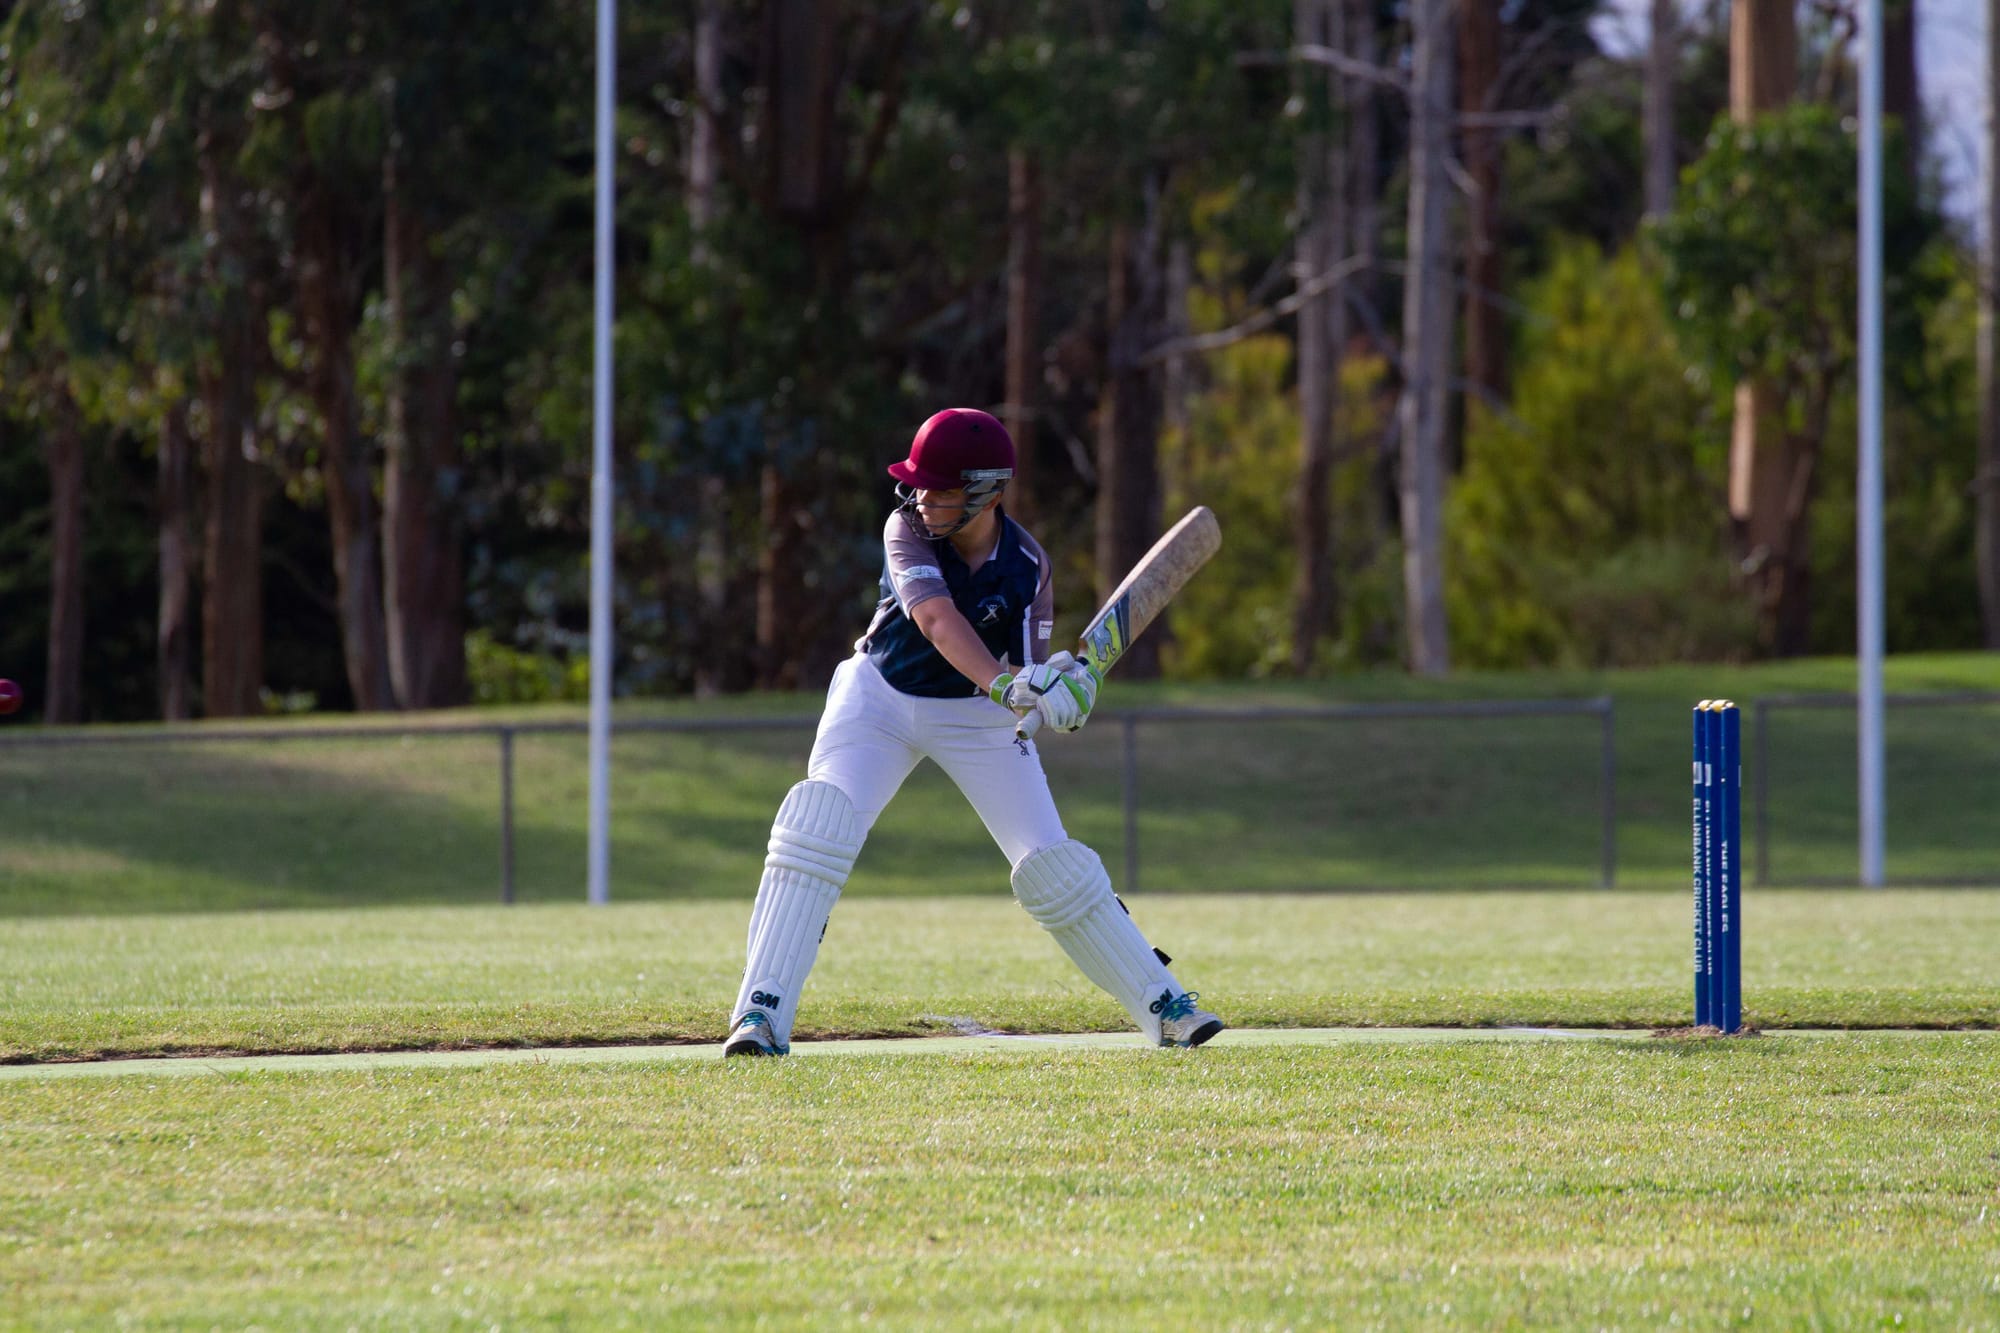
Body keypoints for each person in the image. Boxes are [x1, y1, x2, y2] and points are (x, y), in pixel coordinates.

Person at [723, 407, 1224, 1057]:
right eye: (919, 484)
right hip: (877, 697)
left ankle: (1166, 1006)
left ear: (986, 491)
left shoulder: (1028, 566)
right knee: (818, 824)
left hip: (976, 714)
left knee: (1053, 865)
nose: (922, 498)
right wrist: (1008, 683)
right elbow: (935, 620)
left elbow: (1025, 671)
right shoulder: (905, 529)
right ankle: (760, 1015)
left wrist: (1057, 690)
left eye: (940, 488)